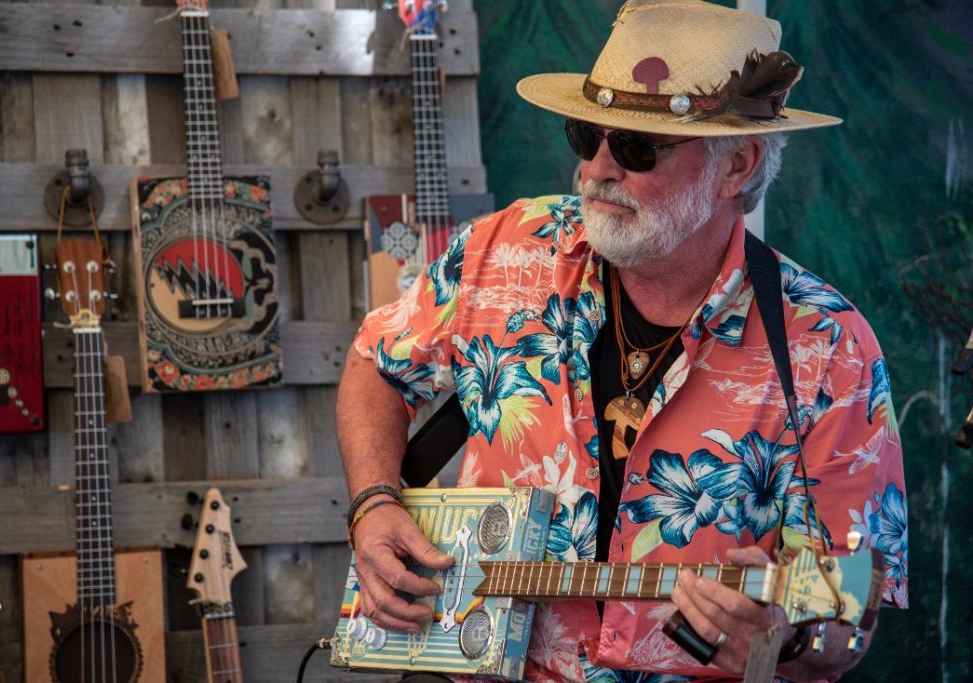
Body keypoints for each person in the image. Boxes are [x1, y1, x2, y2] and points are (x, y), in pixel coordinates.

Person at [336, 1, 908, 680]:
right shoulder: (505, 249)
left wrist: (779, 643)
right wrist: (373, 504)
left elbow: (845, 627)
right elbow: (376, 362)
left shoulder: (829, 348)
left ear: (737, 165)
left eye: (637, 146)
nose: (598, 167)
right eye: (588, 135)